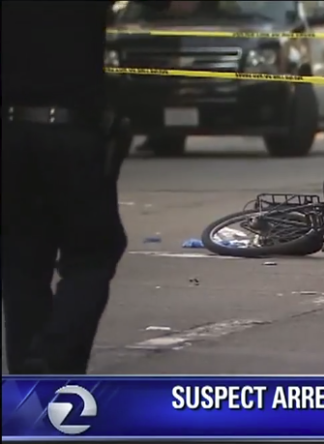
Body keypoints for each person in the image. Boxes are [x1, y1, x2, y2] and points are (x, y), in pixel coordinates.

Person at [1, 0, 199, 374]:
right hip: (71, 132)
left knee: (21, 258)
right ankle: (54, 355)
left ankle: (30, 382)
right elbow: (175, 6)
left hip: (10, 131)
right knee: (93, 251)